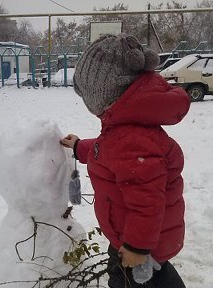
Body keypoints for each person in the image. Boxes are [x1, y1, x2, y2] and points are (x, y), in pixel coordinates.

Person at [60, 33, 190, 288]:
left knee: (129, 280)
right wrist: (78, 147)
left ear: (104, 94)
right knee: (157, 275)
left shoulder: (129, 138)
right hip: (138, 234)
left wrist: (136, 246)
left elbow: (147, 201)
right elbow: (106, 153)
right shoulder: (125, 129)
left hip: (140, 242)